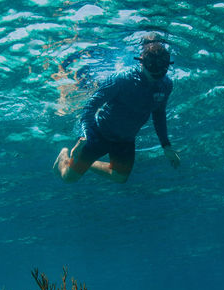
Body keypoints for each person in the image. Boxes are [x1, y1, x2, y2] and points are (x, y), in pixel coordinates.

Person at [53, 34, 181, 183]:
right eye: (152, 73)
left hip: (125, 140)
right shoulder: (121, 79)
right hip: (99, 134)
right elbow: (90, 106)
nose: (156, 78)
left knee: (120, 177)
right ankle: (64, 155)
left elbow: (159, 114)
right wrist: (85, 136)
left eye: (161, 74)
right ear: (141, 62)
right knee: (69, 177)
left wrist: (166, 146)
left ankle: (85, 163)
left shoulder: (166, 85)